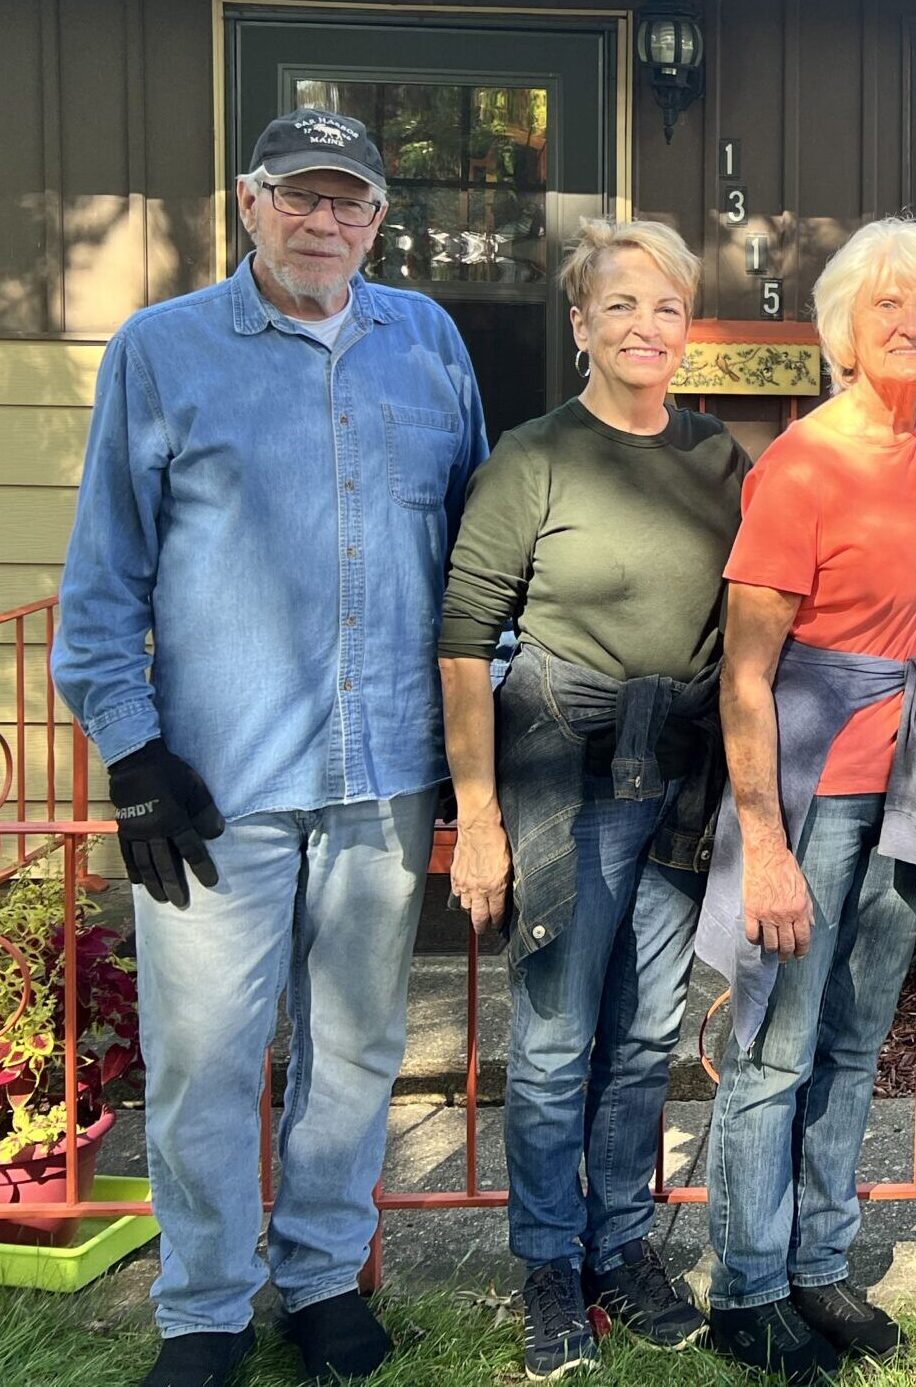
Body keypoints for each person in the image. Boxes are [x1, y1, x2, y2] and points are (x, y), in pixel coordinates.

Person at [52, 108, 485, 1387]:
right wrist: (131, 750)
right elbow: (103, 576)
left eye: (349, 201)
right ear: (248, 204)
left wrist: (484, 731)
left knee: (353, 1049)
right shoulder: (161, 349)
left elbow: (476, 558)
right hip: (216, 782)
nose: (323, 222)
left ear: (378, 221)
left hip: (383, 771)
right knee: (204, 1059)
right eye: (299, 196)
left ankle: (320, 1278)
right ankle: (204, 1308)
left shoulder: (429, 341)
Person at [437, 219, 746, 1378]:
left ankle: (620, 1243)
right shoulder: (534, 456)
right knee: (559, 1035)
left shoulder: (719, 458)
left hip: (682, 770)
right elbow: (464, 640)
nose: (645, 327)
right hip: (565, 764)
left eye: (666, 307)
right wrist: (477, 818)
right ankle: (547, 1261)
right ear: (580, 323)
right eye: (620, 305)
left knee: (647, 1030)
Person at [695, 218, 916, 1383]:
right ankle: (747, 1287)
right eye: (887, 306)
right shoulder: (801, 465)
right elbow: (746, 673)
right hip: (816, 788)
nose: (912, 324)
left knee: (857, 1038)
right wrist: (762, 845)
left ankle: (819, 1261)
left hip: (914, 781)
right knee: (774, 1045)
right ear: (843, 331)